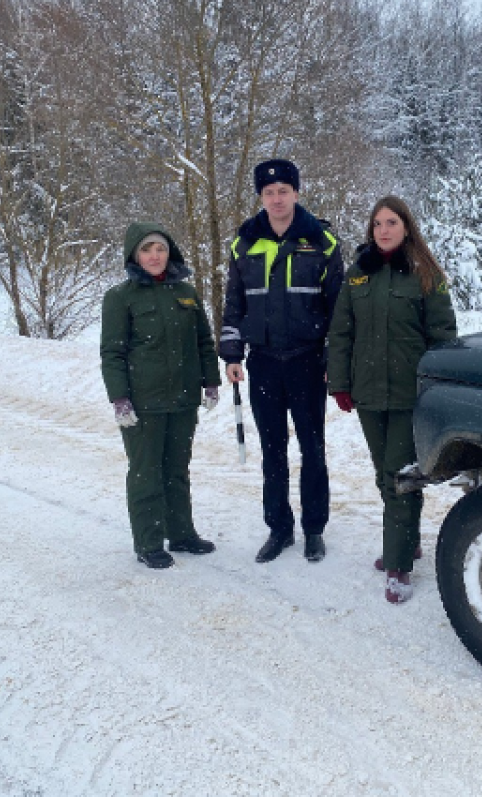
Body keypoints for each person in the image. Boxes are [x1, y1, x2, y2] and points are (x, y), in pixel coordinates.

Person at [327, 196, 457, 603]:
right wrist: (341, 383)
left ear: (406, 228)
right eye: (378, 223)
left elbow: (443, 337)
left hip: (408, 394)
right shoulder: (358, 275)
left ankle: (398, 563)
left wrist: (437, 387)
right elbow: (341, 332)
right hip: (368, 393)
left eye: (392, 223)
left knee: (400, 477)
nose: (384, 230)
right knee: (386, 473)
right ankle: (407, 541)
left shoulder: (426, 275)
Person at [221, 159, 345, 564]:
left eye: (283, 191)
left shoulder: (321, 241)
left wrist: (332, 357)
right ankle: (279, 528)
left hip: (307, 361)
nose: (276, 199)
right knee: (272, 448)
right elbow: (234, 304)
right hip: (263, 363)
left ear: (296, 193)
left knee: (313, 447)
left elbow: (338, 310)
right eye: (269, 192)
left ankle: (313, 529)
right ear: (261, 196)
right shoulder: (244, 242)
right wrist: (232, 353)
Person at [101, 223, 221, 569]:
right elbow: (112, 353)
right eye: (147, 249)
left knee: (177, 470)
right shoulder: (120, 298)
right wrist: (120, 398)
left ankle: (182, 534)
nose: (155, 256)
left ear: (170, 253)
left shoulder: (185, 293)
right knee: (145, 472)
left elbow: (203, 341)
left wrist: (210, 381)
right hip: (143, 404)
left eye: (161, 249)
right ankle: (149, 542)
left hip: (182, 400)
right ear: (134, 255)